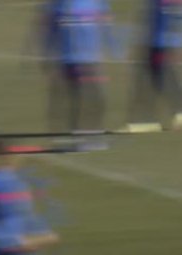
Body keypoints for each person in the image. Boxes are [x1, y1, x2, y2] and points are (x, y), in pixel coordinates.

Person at [38, 0, 119, 150]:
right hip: (75, 60)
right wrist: (47, 55)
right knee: (85, 99)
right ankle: (80, 138)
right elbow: (50, 29)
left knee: (92, 99)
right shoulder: (59, 4)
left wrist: (114, 49)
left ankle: (83, 136)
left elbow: (106, 24)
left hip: (85, 60)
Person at [120, 0, 182, 133]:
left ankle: (147, 120)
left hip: (160, 21)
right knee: (152, 71)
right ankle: (147, 119)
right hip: (164, 20)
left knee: (150, 71)